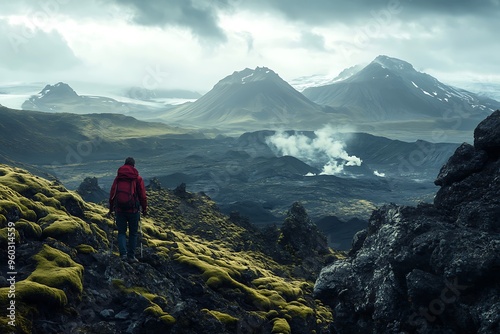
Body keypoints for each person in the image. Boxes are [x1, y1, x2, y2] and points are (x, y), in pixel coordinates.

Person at [108, 157, 147, 263]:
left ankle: (123, 255)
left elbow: (113, 193)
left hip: (120, 210)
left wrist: (111, 208)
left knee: (121, 232)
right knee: (133, 233)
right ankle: (131, 256)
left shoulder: (118, 178)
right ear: (133, 165)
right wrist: (144, 209)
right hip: (133, 210)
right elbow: (143, 196)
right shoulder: (137, 178)